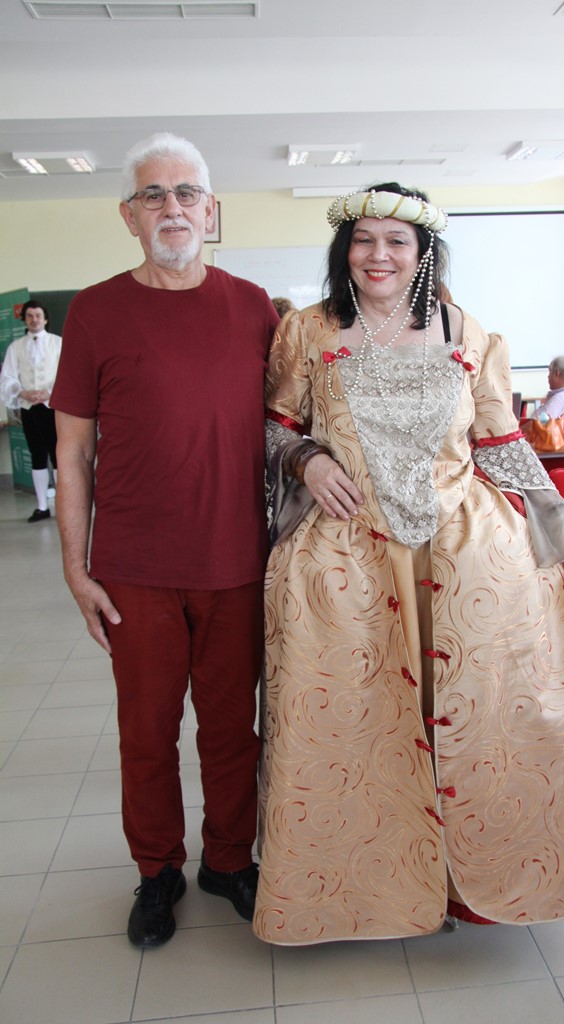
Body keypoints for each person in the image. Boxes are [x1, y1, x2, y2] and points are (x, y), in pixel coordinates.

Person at [255, 183, 564, 945]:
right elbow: (272, 427)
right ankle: (369, 887)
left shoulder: (466, 331)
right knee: (360, 718)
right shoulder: (306, 330)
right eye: (363, 239)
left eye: (396, 241)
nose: (377, 255)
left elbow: (498, 442)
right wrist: (308, 458)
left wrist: (560, 532)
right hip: (347, 554)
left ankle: (462, 881)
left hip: (463, 553)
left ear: (423, 253)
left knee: (468, 715)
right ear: (344, 249)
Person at [50, 132, 280, 948]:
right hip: (134, 571)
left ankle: (229, 860)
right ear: (128, 215)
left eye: (186, 193)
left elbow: (289, 427)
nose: (171, 208)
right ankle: (156, 872)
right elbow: (71, 452)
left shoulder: (253, 306)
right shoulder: (95, 311)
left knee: (230, 731)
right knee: (146, 735)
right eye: (153, 195)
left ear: (211, 212)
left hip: (236, 563)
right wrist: (75, 569)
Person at [0, 300, 61, 522]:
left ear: (45, 319)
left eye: (38, 316)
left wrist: (48, 392)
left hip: (53, 407)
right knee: (37, 455)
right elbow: (7, 376)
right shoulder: (15, 347)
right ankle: (42, 506)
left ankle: (62, 506)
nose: (34, 320)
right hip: (29, 408)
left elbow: (67, 374)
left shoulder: (58, 343)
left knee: (58, 456)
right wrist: (22, 392)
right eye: (29, 316)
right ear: (24, 319)